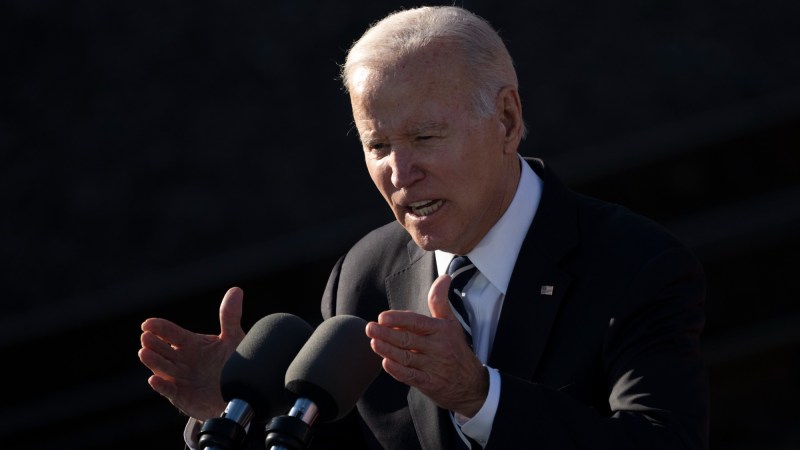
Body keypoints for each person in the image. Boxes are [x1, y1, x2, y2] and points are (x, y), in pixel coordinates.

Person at [138, 5, 709, 450]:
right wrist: (233, 412)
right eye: (378, 146)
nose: (400, 173)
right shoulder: (363, 277)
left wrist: (479, 397)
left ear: (506, 120)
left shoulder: (637, 265)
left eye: (425, 138)